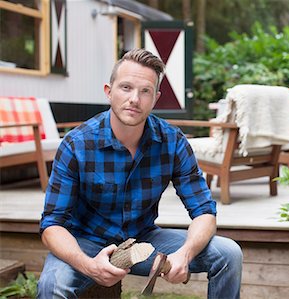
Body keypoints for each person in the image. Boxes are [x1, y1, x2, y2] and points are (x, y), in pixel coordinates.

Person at [37, 48, 243, 298]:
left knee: (228, 254)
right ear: (108, 91)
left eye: (145, 91)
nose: (135, 99)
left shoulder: (172, 141)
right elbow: (52, 225)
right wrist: (88, 266)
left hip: (143, 242)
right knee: (52, 285)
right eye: (126, 87)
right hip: (85, 241)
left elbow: (204, 211)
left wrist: (184, 254)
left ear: (156, 98)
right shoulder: (76, 144)